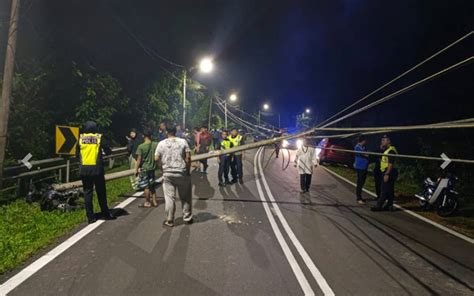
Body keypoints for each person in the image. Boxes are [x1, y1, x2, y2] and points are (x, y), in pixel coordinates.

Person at [155, 125, 193, 227]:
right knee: (185, 196)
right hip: (181, 171)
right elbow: (188, 157)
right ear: (175, 131)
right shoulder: (183, 141)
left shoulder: (161, 143)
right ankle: (187, 217)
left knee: (169, 198)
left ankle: (170, 220)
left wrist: (161, 168)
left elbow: (156, 158)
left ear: (166, 132)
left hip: (167, 173)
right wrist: (188, 170)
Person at [78, 121, 116, 224]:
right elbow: (108, 150)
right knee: (101, 192)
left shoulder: (80, 138)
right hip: (97, 169)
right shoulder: (98, 138)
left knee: (87, 192)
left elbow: (76, 151)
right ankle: (105, 213)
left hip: (84, 169)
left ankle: (90, 217)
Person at [372, 135, 398, 212]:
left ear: (389, 141)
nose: (382, 141)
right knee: (390, 190)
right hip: (388, 171)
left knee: (384, 190)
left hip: (389, 171)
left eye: (384, 140)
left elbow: (391, 163)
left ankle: (378, 206)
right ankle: (389, 206)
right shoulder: (387, 150)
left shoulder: (391, 151)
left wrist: (387, 174)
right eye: (382, 140)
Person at [135, 130, 158, 208]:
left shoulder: (141, 146)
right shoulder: (155, 144)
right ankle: (154, 201)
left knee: (146, 186)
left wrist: (136, 169)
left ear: (143, 136)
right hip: (152, 168)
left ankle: (147, 202)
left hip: (144, 169)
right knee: (152, 185)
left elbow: (139, 159)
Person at [354, 135, 369, 205]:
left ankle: (360, 197)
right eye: (365, 140)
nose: (366, 141)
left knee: (362, 182)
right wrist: (367, 154)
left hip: (364, 167)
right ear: (363, 141)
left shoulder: (364, 147)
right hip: (360, 167)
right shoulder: (357, 147)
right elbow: (365, 155)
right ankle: (358, 198)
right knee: (360, 183)